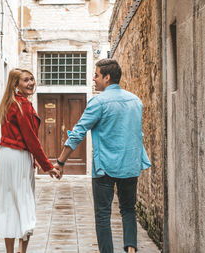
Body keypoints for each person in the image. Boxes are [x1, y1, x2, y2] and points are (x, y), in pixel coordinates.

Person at [54, 59, 151, 253]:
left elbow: (79, 132)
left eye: (96, 75)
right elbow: (136, 134)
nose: (93, 78)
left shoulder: (98, 102)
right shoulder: (136, 101)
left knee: (103, 215)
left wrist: (60, 161)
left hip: (104, 167)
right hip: (130, 165)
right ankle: (131, 250)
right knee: (128, 210)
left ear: (107, 78)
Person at [0, 68, 60, 253]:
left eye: (32, 79)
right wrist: (47, 166)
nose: (31, 83)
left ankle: (11, 251)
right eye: (26, 80)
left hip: (5, 156)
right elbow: (31, 139)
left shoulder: (9, 103)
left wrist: (39, 162)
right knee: (24, 203)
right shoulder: (22, 105)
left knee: (9, 204)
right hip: (18, 157)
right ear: (16, 85)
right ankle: (21, 250)